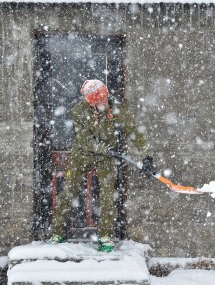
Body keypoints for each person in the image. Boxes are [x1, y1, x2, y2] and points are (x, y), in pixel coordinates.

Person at [50, 79, 156, 252]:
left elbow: (134, 131)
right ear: (91, 102)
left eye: (104, 99)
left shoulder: (115, 108)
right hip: (82, 155)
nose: (103, 103)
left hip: (106, 158)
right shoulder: (79, 110)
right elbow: (84, 139)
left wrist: (146, 156)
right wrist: (104, 148)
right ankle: (58, 232)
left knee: (108, 196)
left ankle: (105, 235)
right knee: (69, 191)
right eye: (99, 101)